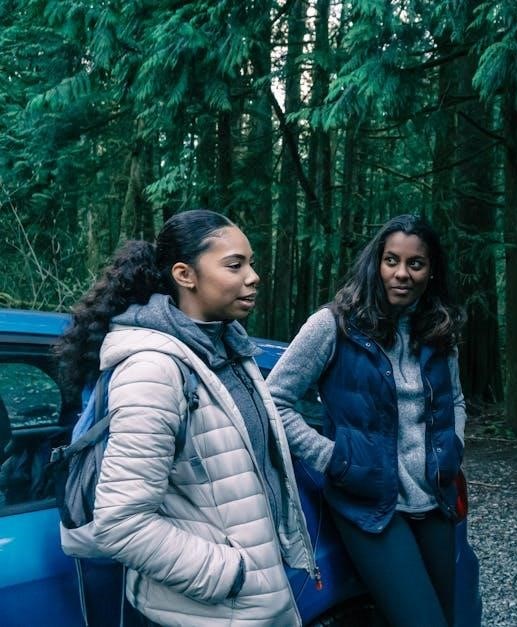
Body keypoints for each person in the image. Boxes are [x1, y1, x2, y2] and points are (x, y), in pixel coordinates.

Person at [55, 210, 316, 626]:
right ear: (185, 274)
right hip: (202, 611)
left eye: (251, 263)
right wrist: (233, 575)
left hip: (249, 606)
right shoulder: (153, 370)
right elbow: (120, 524)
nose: (253, 277)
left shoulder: (226, 349)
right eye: (235, 265)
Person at [268, 214, 467, 627]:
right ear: (376, 263)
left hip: (434, 500)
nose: (402, 273)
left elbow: (457, 400)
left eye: (415, 263)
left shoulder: (439, 331)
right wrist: (333, 458)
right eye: (392, 260)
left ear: (431, 271)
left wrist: (454, 447)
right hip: (369, 502)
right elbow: (274, 400)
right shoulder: (335, 325)